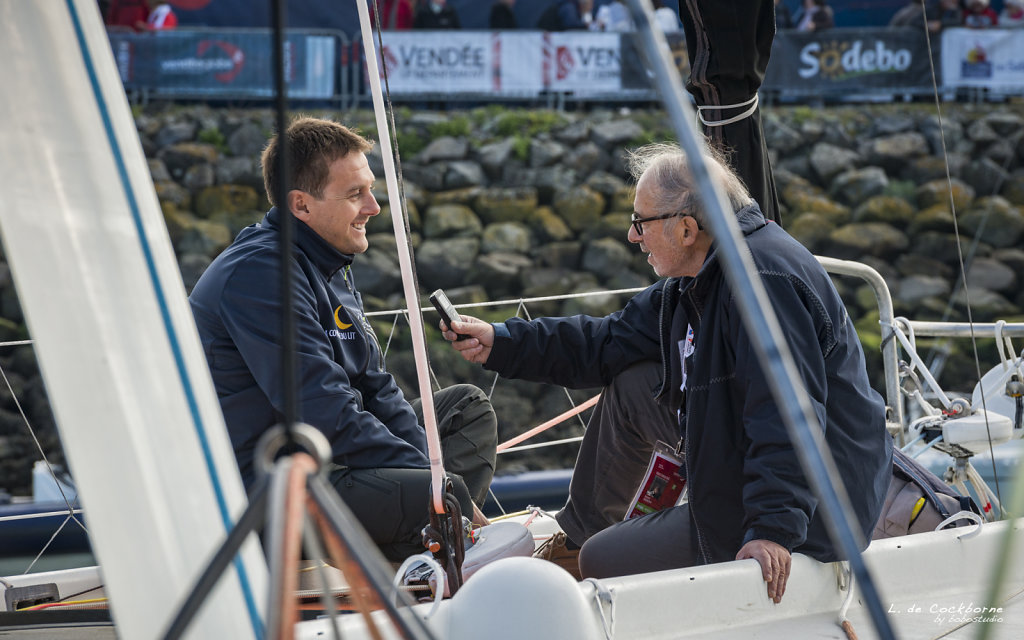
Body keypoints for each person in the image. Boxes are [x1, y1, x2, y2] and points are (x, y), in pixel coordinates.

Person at [442, 143, 892, 603]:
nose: (633, 237)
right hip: (751, 464)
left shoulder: (762, 283)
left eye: (640, 223)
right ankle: (577, 537)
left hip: (816, 506)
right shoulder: (693, 284)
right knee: (635, 383)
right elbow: (605, 341)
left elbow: (788, 415)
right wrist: (502, 341)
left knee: (603, 561)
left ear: (686, 228)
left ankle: (588, 554)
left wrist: (771, 530)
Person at [189, 117, 497, 562]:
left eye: (370, 189)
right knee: (438, 491)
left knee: (467, 409)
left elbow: (378, 391)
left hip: (325, 461)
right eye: (355, 194)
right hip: (268, 492)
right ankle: (432, 549)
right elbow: (325, 413)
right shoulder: (260, 275)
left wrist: (433, 473)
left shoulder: (329, 264)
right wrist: (439, 486)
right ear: (301, 205)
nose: (373, 206)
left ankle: (433, 539)